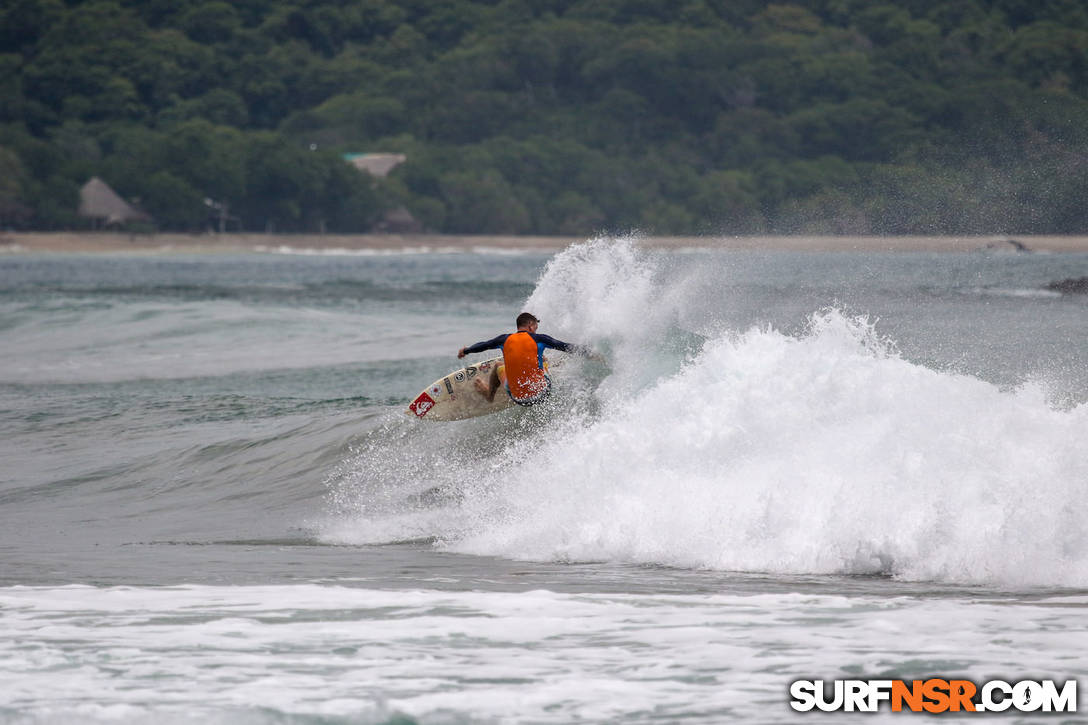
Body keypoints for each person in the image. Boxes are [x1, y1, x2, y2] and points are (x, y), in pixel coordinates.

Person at [457, 312, 599, 406]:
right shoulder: (540, 339)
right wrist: (591, 353)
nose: (536, 330)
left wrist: (466, 350)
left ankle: (489, 394)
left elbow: (483, 345)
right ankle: (550, 367)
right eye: (535, 327)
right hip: (542, 393)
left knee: (499, 365)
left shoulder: (504, 339)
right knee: (542, 359)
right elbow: (565, 346)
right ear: (530, 326)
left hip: (518, 399)